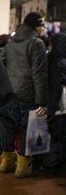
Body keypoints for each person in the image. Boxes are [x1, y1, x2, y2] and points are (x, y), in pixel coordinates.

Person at [0, 12, 47, 178]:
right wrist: (42, 101)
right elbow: (39, 74)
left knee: (11, 126)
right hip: (28, 93)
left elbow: (2, 64)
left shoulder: (11, 44)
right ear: (36, 26)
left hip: (12, 91)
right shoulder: (37, 43)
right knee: (27, 129)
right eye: (42, 25)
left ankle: (6, 162)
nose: (43, 28)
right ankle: (22, 167)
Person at [42, 33, 66, 171]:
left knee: (57, 134)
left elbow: (56, 88)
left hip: (59, 106)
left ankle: (51, 164)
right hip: (63, 106)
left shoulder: (56, 62)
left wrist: (50, 110)